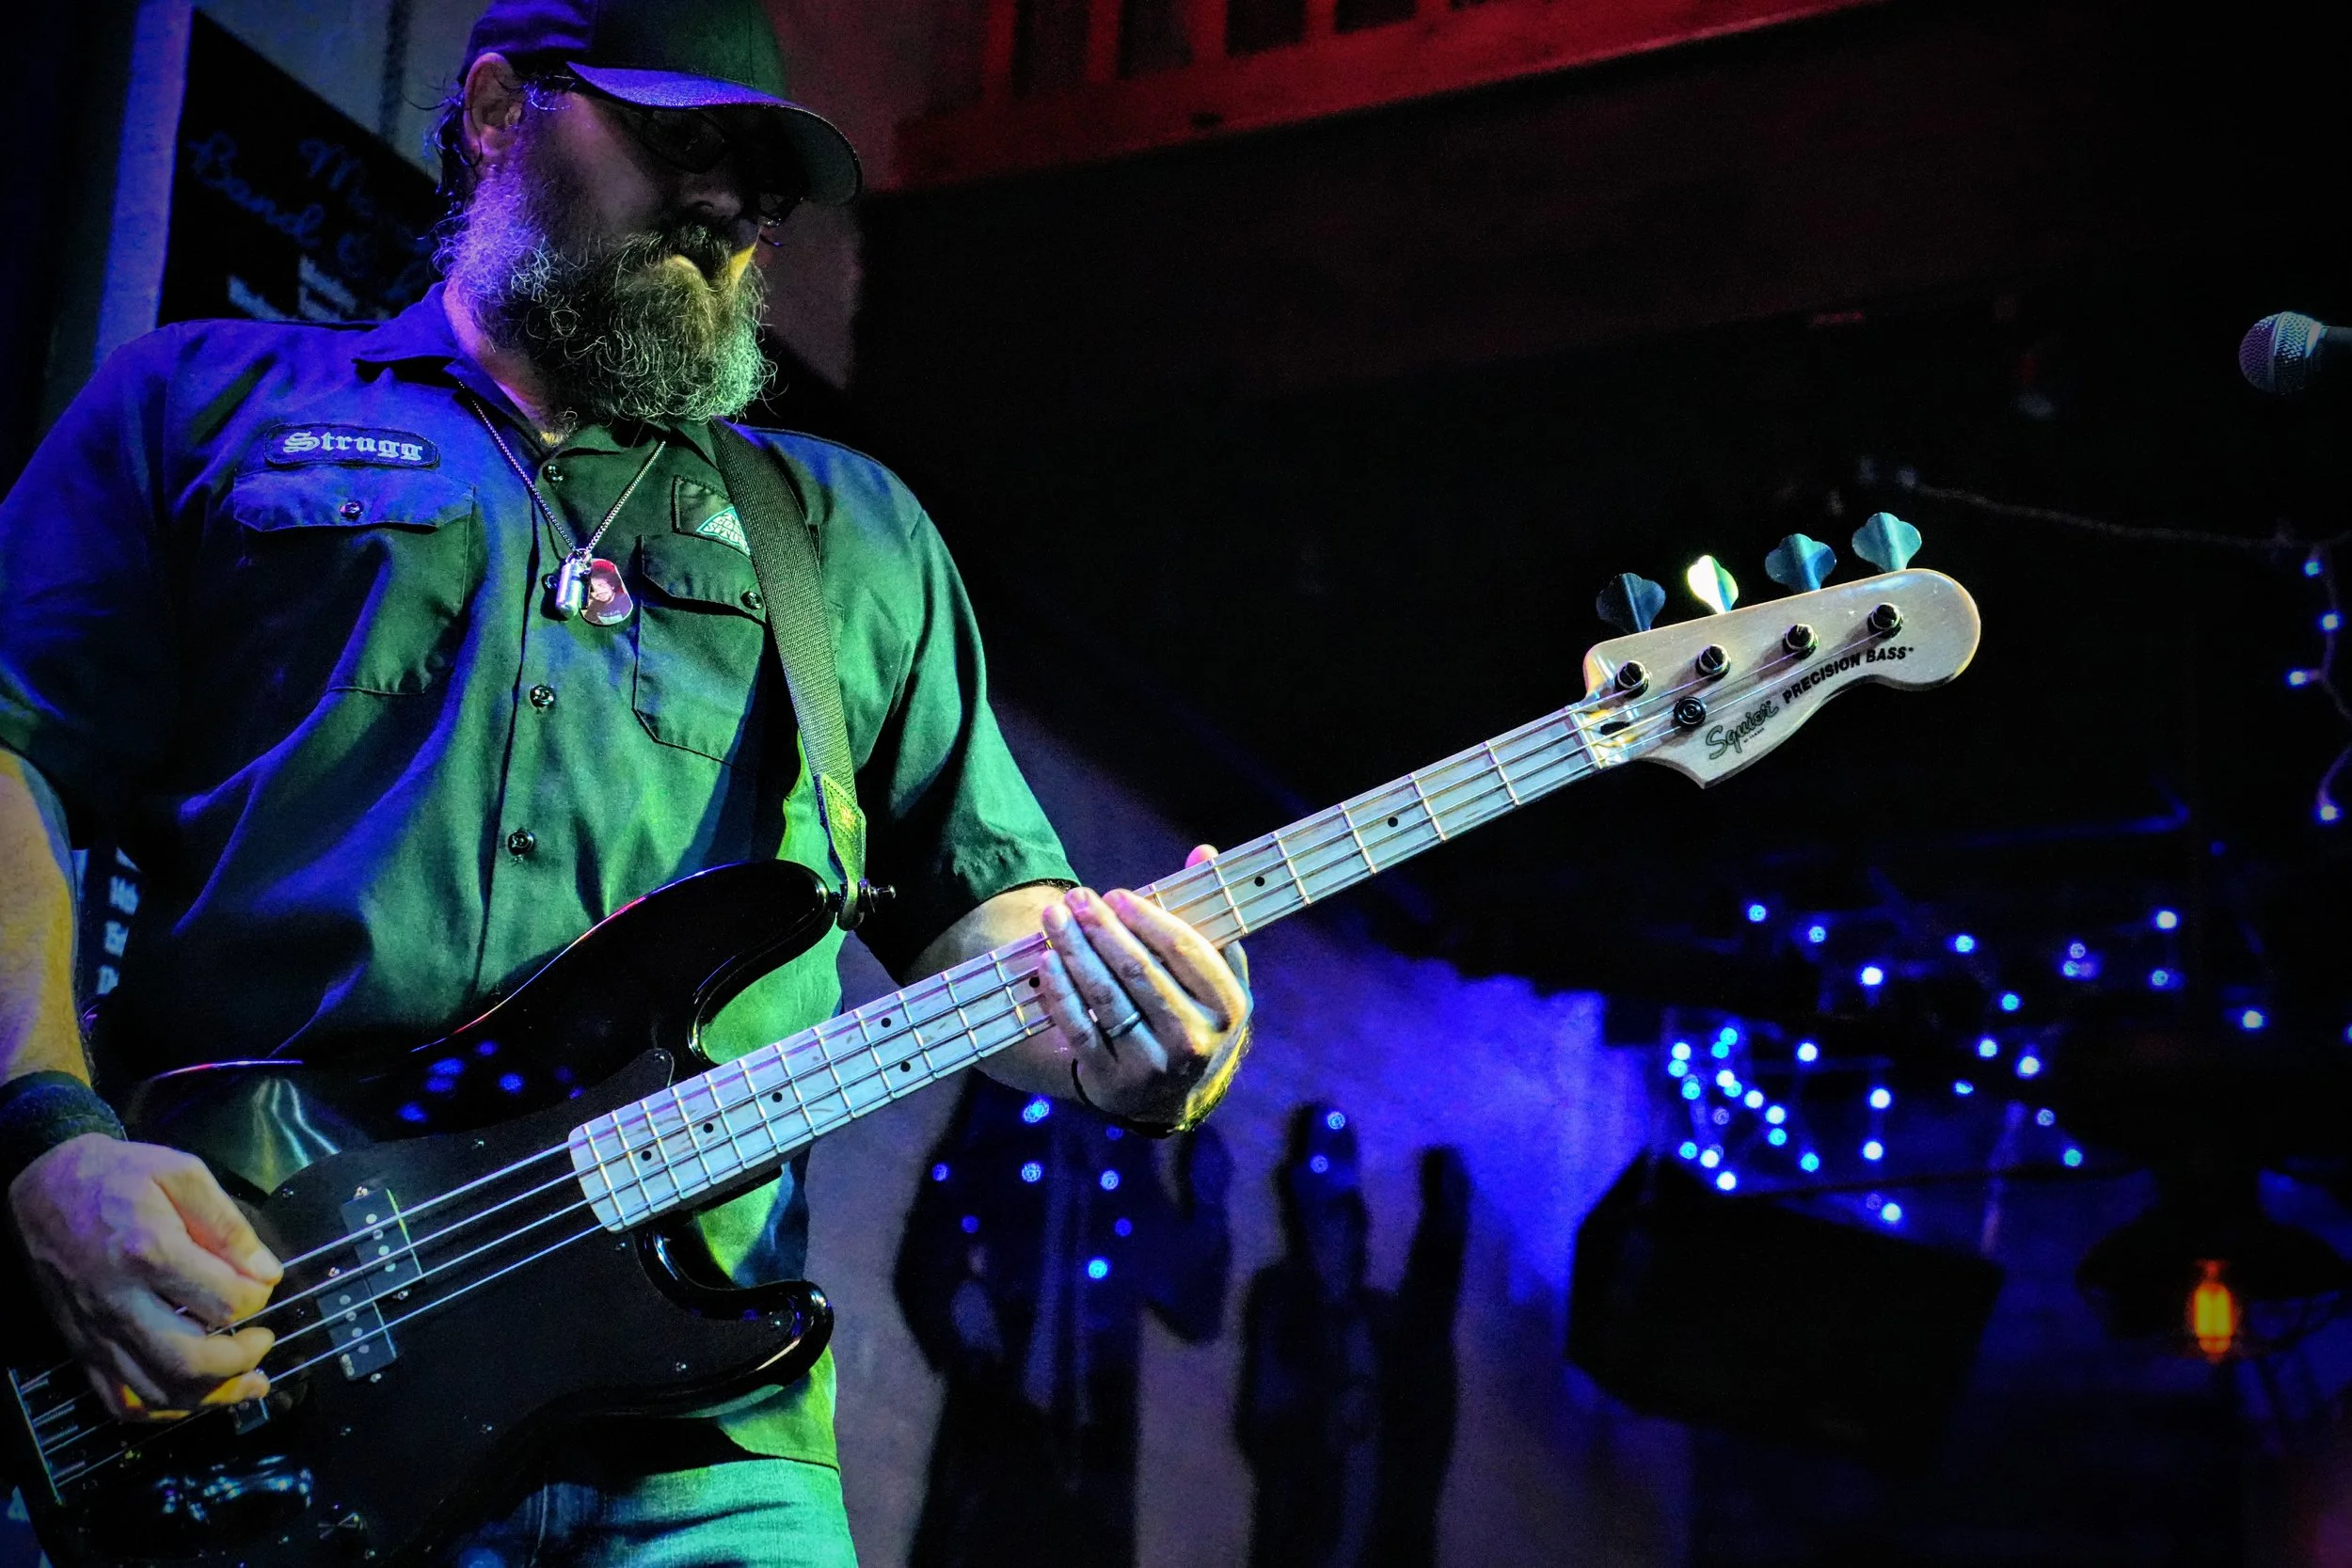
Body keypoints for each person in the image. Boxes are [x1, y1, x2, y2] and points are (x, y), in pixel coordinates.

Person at [0, 0, 1252, 1561]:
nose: (730, 201)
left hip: (703, 1444)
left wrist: (1128, 1038)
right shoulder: (209, 406)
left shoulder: (850, 537)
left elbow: (985, 917)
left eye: (761, 170)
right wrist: (43, 1138)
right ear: (497, 107)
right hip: (252, 1349)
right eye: (679, 138)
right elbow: (16, 763)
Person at [894, 1075, 1232, 1568]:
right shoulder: (1009, 1125)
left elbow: (1195, 1305)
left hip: (1091, 1455)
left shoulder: (1125, 1174)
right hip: (999, 1434)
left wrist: (1209, 1205)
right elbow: (930, 1244)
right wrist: (957, 1298)